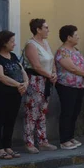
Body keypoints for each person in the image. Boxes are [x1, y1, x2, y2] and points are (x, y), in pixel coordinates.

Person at [22, 18, 57, 154]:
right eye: (46, 27)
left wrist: (53, 73)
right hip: (35, 81)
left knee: (43, 111)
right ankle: (29, 142)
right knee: (32, 112)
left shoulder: (46, 43)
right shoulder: (31, 44)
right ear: (38, 29)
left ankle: (42, 140)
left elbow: (51, 60)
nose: (48, 30)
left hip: (47, 80)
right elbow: (36, 65)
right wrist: (49, 75)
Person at [0, 31, 28, 159]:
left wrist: (25, 83)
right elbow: (1, 76)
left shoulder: (13, 56)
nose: (14, 44)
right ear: (4, 42)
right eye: (11, 41)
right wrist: (18, 85)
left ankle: (8, 146)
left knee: (10, 120)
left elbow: (22, 70)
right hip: (2, 94)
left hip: (16, 94)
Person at [54, 25, 84, 150]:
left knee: (75, 112)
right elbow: (71, 67)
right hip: (67, 86)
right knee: (67, 112)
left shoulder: (76, 50)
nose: (78, 37)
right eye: (75, 35)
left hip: (79, 85)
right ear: (68, 37)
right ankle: (64, 140)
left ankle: (70, 136)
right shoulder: (62, 51)